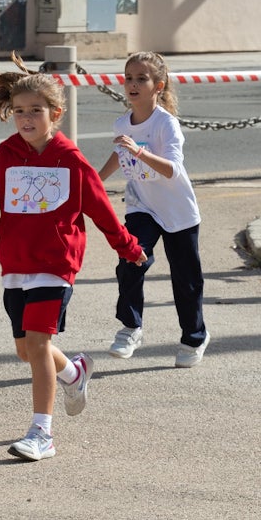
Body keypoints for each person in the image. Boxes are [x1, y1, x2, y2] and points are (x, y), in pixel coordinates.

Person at [0, 63, 146, 462]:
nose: (26, 118)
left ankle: (42, 433)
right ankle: (74, 373)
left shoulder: (70, 160)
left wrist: (128, 247)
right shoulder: (5, 155)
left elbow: (101, 209)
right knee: (27, 350)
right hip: (15, 263)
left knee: (38, 344)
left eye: (35, 110)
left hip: (56, 264)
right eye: (19, 110)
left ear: (55, 113)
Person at [96, 52, 209, 367]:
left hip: (176, 211)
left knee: (186, 280)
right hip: (141, 206)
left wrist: (139, 152)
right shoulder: (122, 123)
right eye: (128, 78)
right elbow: (119, 155)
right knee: (130, 259)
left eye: (141, 79)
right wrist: (94, 181)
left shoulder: (166, 123)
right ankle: (131, 327)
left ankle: (194, 338)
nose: (132, 84)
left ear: (158, 86)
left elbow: (173, 169)